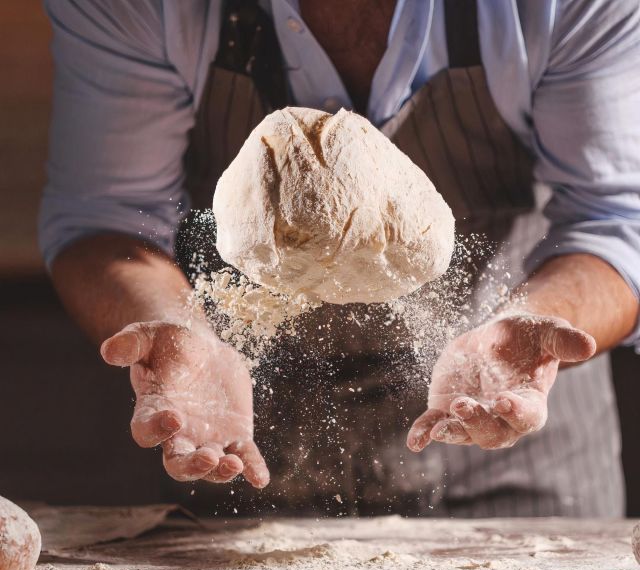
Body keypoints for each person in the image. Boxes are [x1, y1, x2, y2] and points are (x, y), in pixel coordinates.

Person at [40, 0, 640, 517]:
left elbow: (619, 219)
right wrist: (175, 327)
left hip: (504, 445)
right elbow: (108, 220)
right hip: (234, 450)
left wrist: (537, 323)